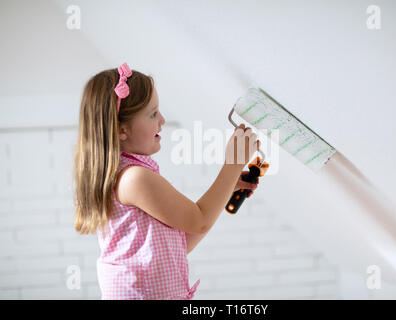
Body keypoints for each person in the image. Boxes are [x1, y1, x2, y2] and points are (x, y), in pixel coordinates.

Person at [73, 62, 260, 299]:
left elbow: (180, 244)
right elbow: (198, 220)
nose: (162, 120)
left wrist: (227, 188)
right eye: (152, 114)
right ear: (122, 130)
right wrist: (233, 164)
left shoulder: (132, 174)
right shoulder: (134, 178)